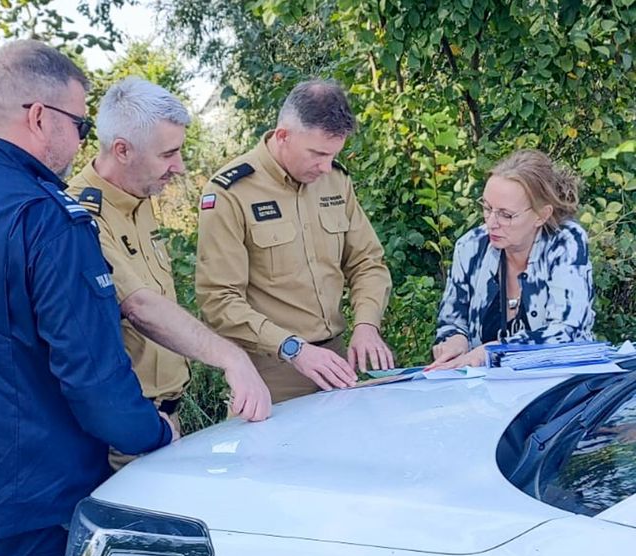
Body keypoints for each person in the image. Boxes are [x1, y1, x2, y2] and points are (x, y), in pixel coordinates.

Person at [0, 41, 178, 556]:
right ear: (39, 117)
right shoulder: (44, 217)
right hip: (32, 502)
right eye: (80, 123)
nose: (81, 140)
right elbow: (94, 379)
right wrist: (156, 435)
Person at [67, 77, 271, 467]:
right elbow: (140, 306)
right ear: (122, 150)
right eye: (167, 154)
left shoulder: (140, 196)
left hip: (165, 421)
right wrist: (233, 358)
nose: (179, 167)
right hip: (122, 433)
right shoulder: (81, 216)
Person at [195, 79, 394, 403]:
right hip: (272, 372)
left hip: (337, 362)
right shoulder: (231, 192)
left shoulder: (335, 181)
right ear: (283, 135)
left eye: (333, 155)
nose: (325, 167)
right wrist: (292, 347)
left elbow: (367, 262)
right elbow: (219, 300)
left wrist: (367, 325)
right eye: (317, 154)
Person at [430, 149, 595, 370]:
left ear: (541, 215)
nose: (491, 222)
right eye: (487, 208)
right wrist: (453, 341)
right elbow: (450, 322)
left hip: (561, 390)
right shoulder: (470, 246)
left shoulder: (566, 243)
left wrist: (491, 351)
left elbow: (567, 333)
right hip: (485, 393)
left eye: (506, 215)